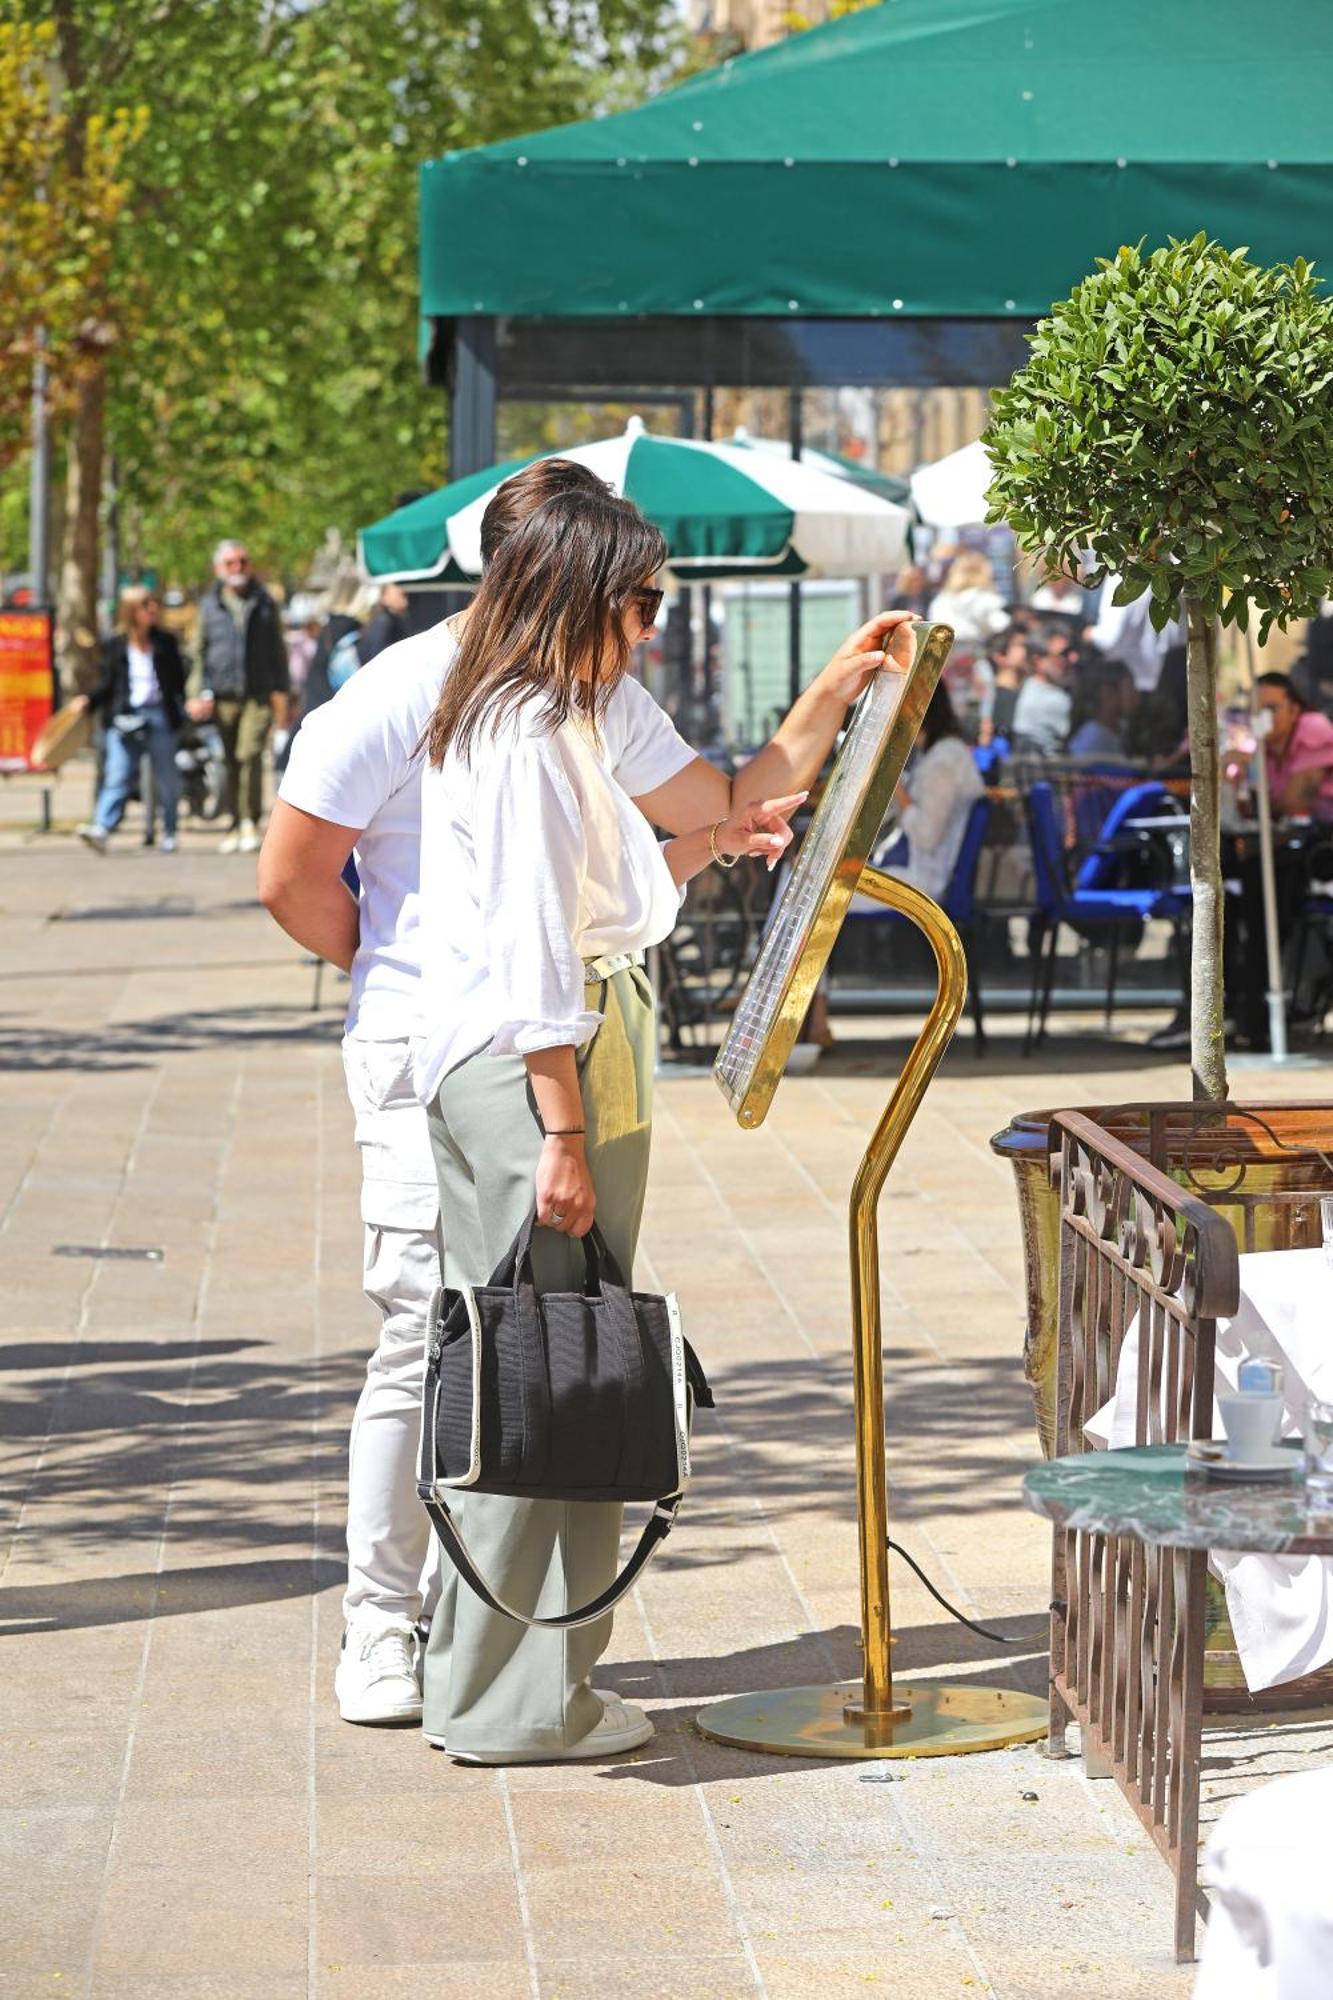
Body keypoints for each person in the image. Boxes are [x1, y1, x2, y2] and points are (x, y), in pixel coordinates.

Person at [259, 456, 917, 1729]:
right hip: (460, 1046)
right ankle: (394, 1632)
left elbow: (713, 804)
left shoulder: (575, 696)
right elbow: (299, 879)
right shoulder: (424, 696)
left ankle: (482, 1656)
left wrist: (835, 690)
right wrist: (422, 982)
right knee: (447, 1337)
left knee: (525, 1338)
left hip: (525, 1036)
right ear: (554, 574)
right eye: (643, 601)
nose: (653, 626)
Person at [73, 586, 187, 855]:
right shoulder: (116, 645)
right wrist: (88, 701)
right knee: (117, 774)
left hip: (159, 715)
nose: (152, 609)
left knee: (167, 778)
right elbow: (108, 683)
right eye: (146, 605)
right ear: (131, 610)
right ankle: (102, 827)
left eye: (153, 604)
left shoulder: (165, 642)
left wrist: (187, 705)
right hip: (125, 716)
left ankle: (169, 831)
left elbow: (179, 680)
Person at [194, 539, 290, 853]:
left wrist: (283, 692)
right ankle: (235, 822)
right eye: (231, 563)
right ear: (219, 569)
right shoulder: (209, 604)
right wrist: (196, 692)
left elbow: (278, 648)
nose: (238, 568)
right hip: (222, 694)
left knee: (248, 754)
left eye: (242, 562)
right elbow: (198, 651)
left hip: (257, 693)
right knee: (229, 759)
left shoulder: (264, 601)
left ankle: (250, 819)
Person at [866, 681, 984, 904]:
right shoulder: (939, 753)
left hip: (922, 882)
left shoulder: (943, 761)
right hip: (916, 870)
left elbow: (926, 836)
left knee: (821, 894)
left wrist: (894, 784)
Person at [1256, 671, 1333, 819]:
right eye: (1254, 709)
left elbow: (1296, 802)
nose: (1262, 717)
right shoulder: (1263, 749)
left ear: (1293, 710)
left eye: (1270, 709)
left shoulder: (1314, 728)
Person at [928, 551, 1010, 649]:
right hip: (978, 655)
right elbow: (1003, 626)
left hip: (947, 656)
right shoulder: (986, 599)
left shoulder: (940, 601)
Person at [1011, 635, 1072, 756]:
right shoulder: (1053, 699)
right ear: (1038, 661)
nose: (1069, 660)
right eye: (1061, 655)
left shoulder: (1028, 687)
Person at [1068, 659, 1136, 759]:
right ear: (1108, 693)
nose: (1135, 696)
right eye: (1130, 688)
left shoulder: (1115, 731)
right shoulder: (1092, 738)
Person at [981, 629, 1027, 745]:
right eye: (1019, 645)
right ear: (1000, 657)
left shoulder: (1022, 694)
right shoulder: (999, 698)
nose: (1026, 651)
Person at [358, 581, 410, 665]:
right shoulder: (384, 622)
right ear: (384, 597)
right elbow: (377, 658)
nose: (402, 590)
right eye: (397, 586)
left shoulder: (392, 619)